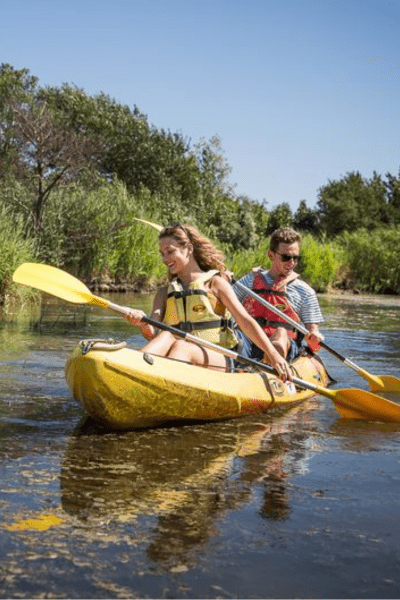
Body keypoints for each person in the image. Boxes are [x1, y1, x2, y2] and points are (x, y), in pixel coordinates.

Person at [125, 222, 292, 380]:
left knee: (182, 346)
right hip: (180, 357)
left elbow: (245, 322)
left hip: (219, 358)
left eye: (170, 251)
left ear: (188, 249)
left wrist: (273, 355)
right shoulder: (163, 293)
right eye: (162, 253)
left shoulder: (215, 284)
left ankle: (158, 382)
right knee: (167, 336)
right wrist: (142, 322)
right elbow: (152, 334)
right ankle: (130, 370)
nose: (164, 258)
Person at [233, 227, 324, 362]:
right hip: (250, 341)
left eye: (295, 258)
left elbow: (313, 331)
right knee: (234, 334)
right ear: (271, 255)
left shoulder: (305, 291)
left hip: (285, 346)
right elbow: (224, 304)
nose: (291, 263)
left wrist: (315, 336)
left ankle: (273, 364)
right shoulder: (248, 281)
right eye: (286, 257)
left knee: (280, 334)